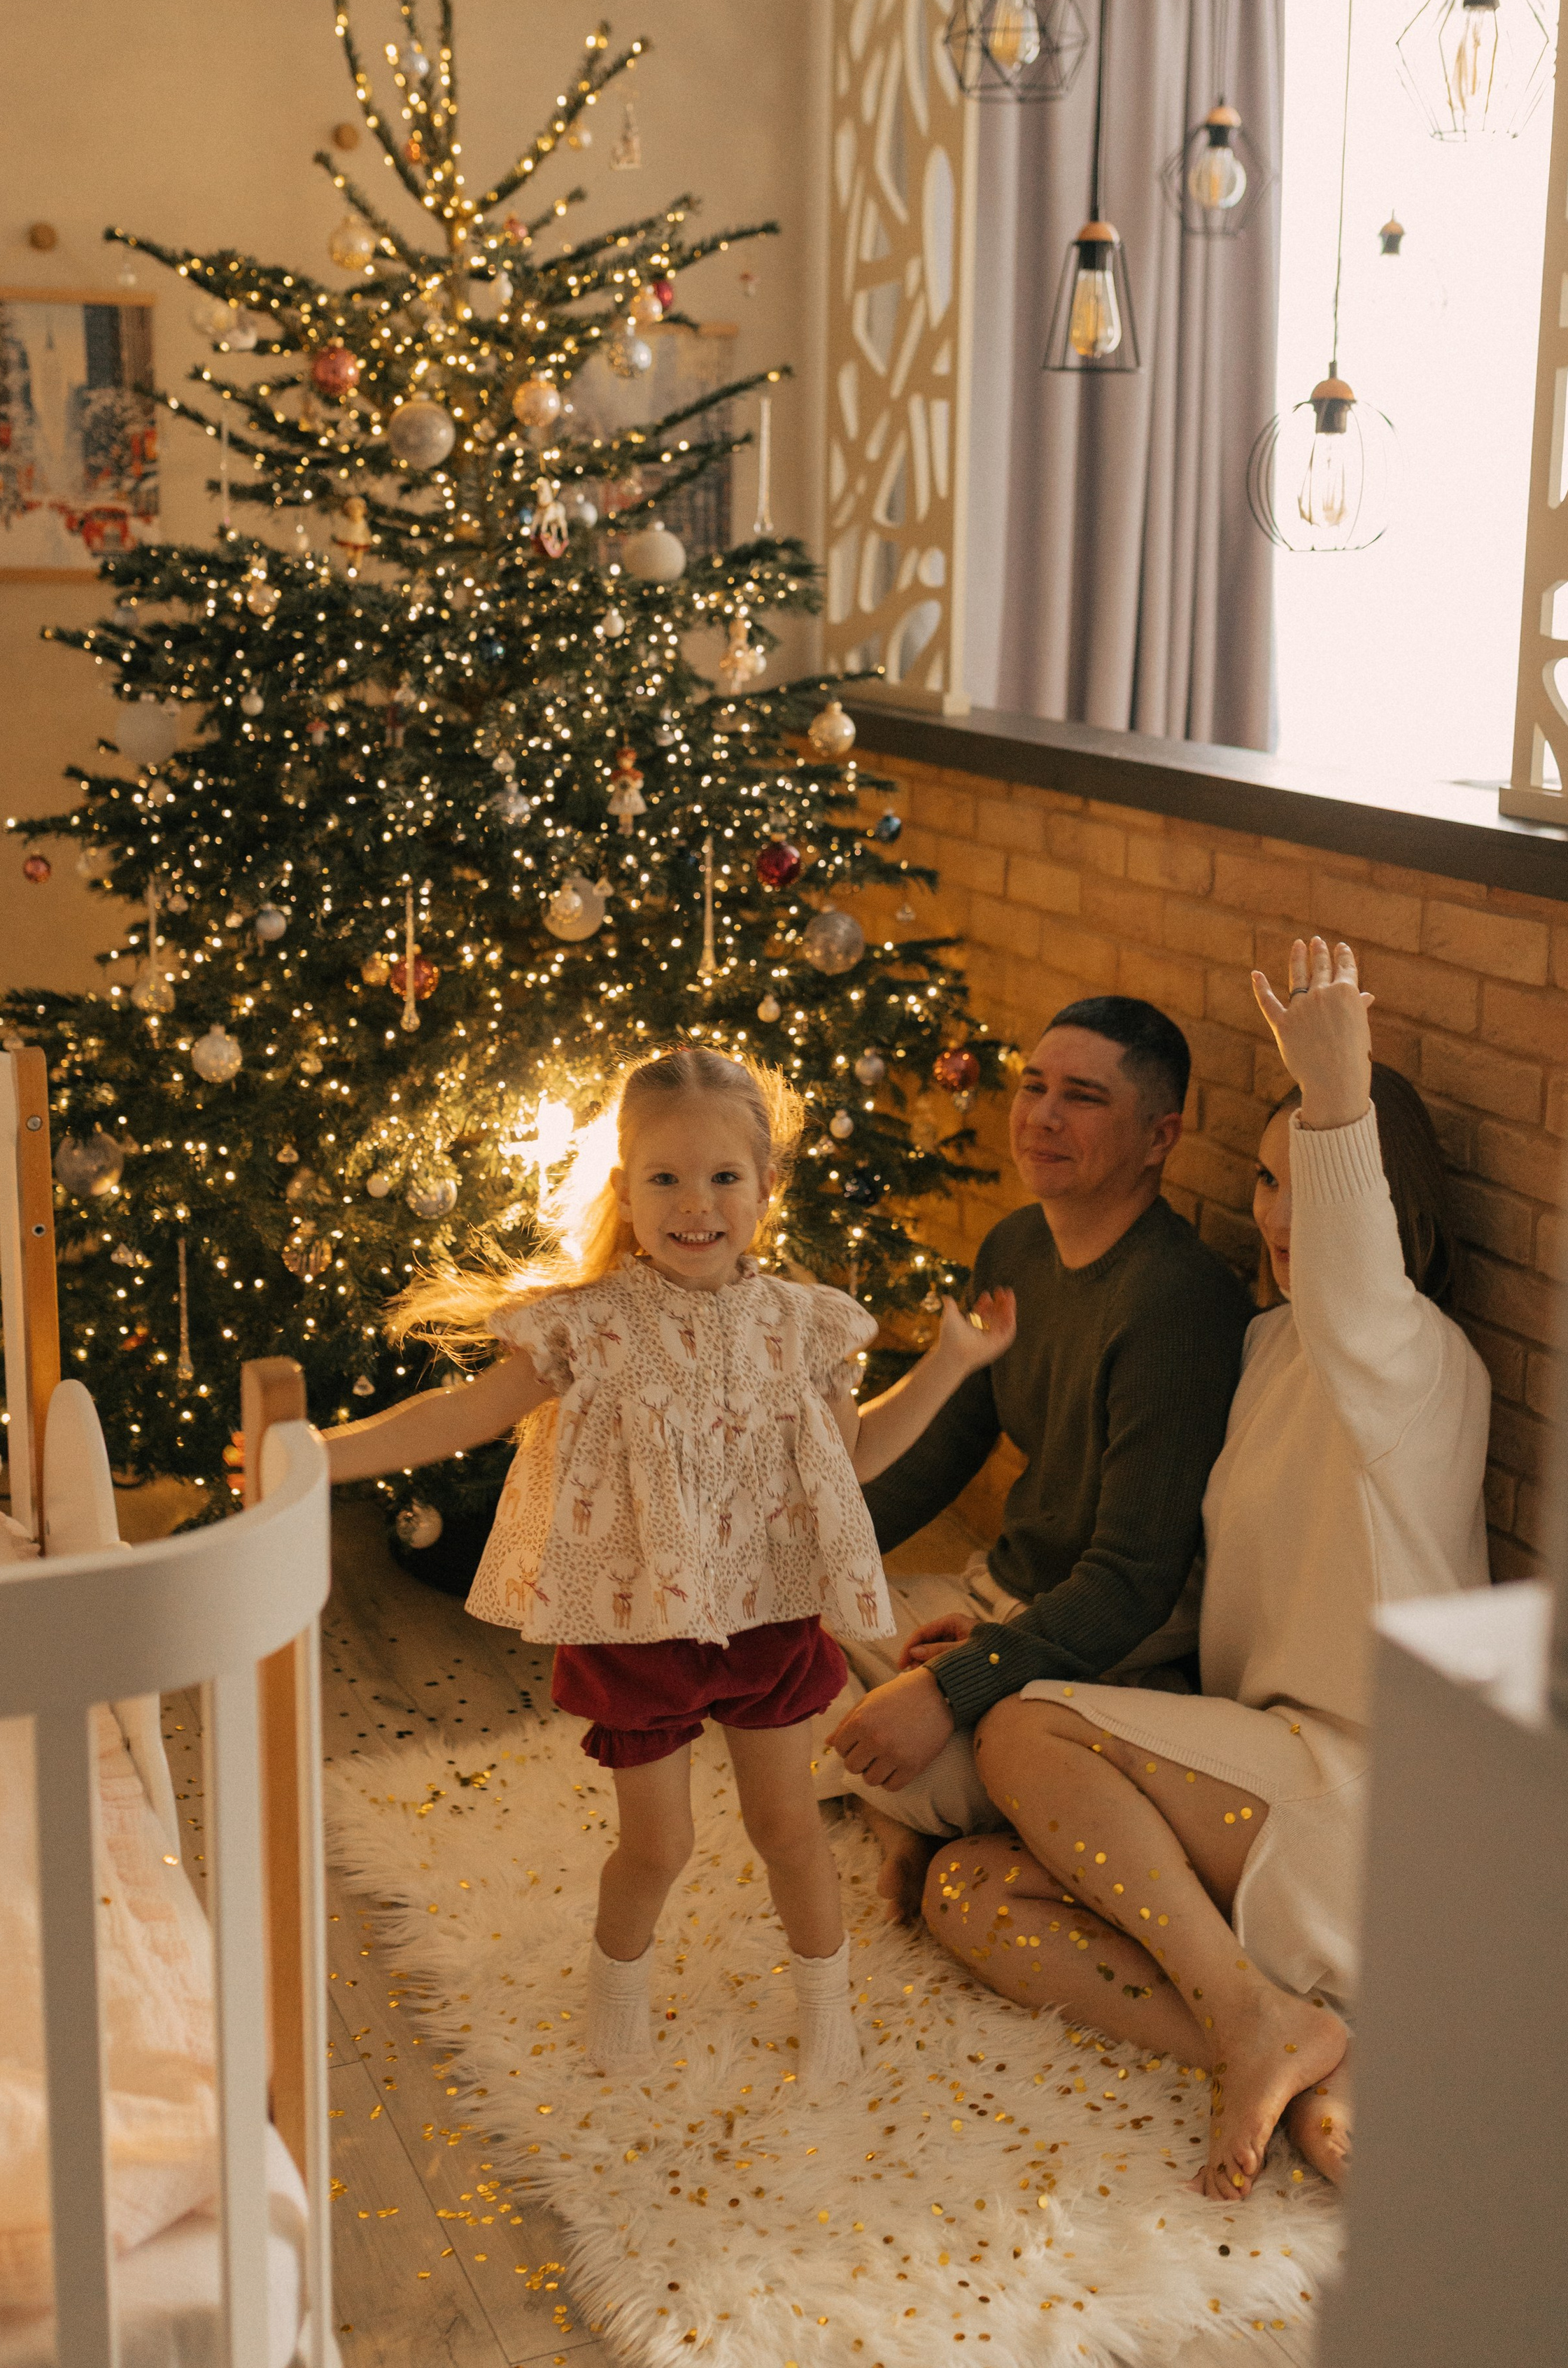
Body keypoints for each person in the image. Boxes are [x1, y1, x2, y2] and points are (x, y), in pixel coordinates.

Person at [321, 1045, 1017, 2093]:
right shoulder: (590, 1328)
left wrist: (952, 1365)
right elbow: (464, 1413)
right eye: (666, 1180)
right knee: (659, 1847)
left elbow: (850, 1457)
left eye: (724, 1178)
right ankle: (617, 1992)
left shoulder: (803, 1325)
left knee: (788, 1828)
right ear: (624, 1191)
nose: (697, 1205)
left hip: (769, 1614)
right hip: (637, 1623)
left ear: (765, 1187)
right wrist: (319, 1455)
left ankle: (827, 2006)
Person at [924, 939, 1491, 2202]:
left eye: (1314, 1187)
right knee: (968, 1892)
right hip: (1265, 1773)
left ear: (1385, 1205)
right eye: (1264, 1185)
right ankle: (1269, 2042)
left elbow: (1359, 1291)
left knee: (1020, 1737)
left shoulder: (1414, 1360)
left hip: (1377, 1805)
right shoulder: (1271, 1348)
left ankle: (1262, 2018)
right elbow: (1174, 1570)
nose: (1280, 1219)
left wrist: (1335, 1081)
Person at [821, 996, 1252, 1915]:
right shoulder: (1016, 1244)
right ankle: (902, 1823)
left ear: (1158, 1136)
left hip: (1100, 1651)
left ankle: (923, 1800)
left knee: (848, 1735)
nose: (1043, 1117)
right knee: (763, 1624)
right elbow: (945, 1450)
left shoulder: (1176, 1305)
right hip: (993, 1602)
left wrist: (956, 1683)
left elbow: (1135, 1584)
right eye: (1034, 1086)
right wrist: (801, 1553)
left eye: (1084, 1098)